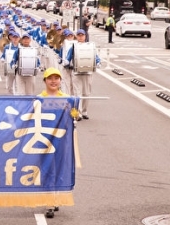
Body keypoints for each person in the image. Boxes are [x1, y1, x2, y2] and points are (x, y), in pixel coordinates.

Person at [37, 67, 69, 219]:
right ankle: (49, 203)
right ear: (45, 81)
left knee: (59, 169)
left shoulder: (66, 99)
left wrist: (74, 112)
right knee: (48, 169)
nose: (53, 81)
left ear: (61, 81)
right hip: (44, 140)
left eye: (56, 78)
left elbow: (75, 116)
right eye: (50, 78)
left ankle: (55, 198)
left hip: (61, 140)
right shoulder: (39, 99)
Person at [63, 29, 101, 120]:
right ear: (77, 36)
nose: (80, 37)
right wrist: (66, 62)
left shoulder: (90, 46)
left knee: (86, 93)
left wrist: (98, 62)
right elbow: (68, 57)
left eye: (82, 35)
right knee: (77, 93)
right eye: (79, 35)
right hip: (76, 72)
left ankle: (84, 111)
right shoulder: (74, 46)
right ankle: (78, 113)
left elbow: (96, 57)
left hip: (88, 72)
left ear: (85, 36)